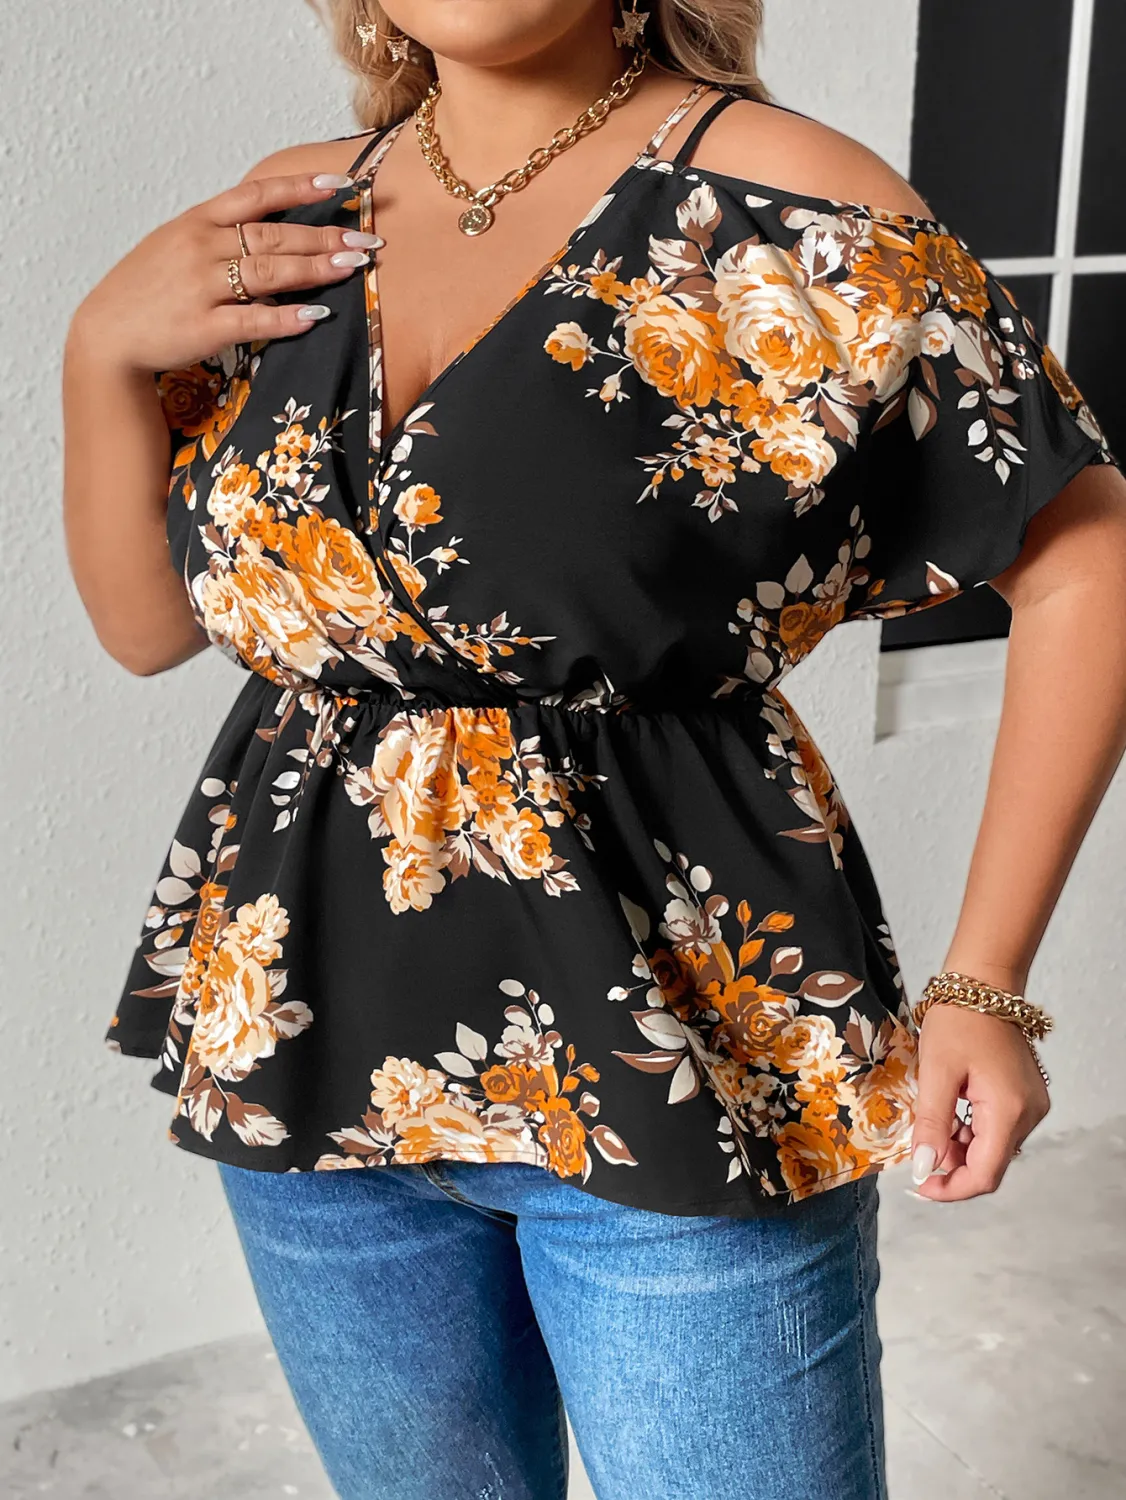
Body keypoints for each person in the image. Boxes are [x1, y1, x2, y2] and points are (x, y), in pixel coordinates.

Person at [62, 3, 1126, 1497]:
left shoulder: (794, 207)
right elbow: (146, 628)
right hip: (307, 1030)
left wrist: (985, 985)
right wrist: (100, 352)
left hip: (683, 1031)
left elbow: (1086, 562)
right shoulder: (289, 222)